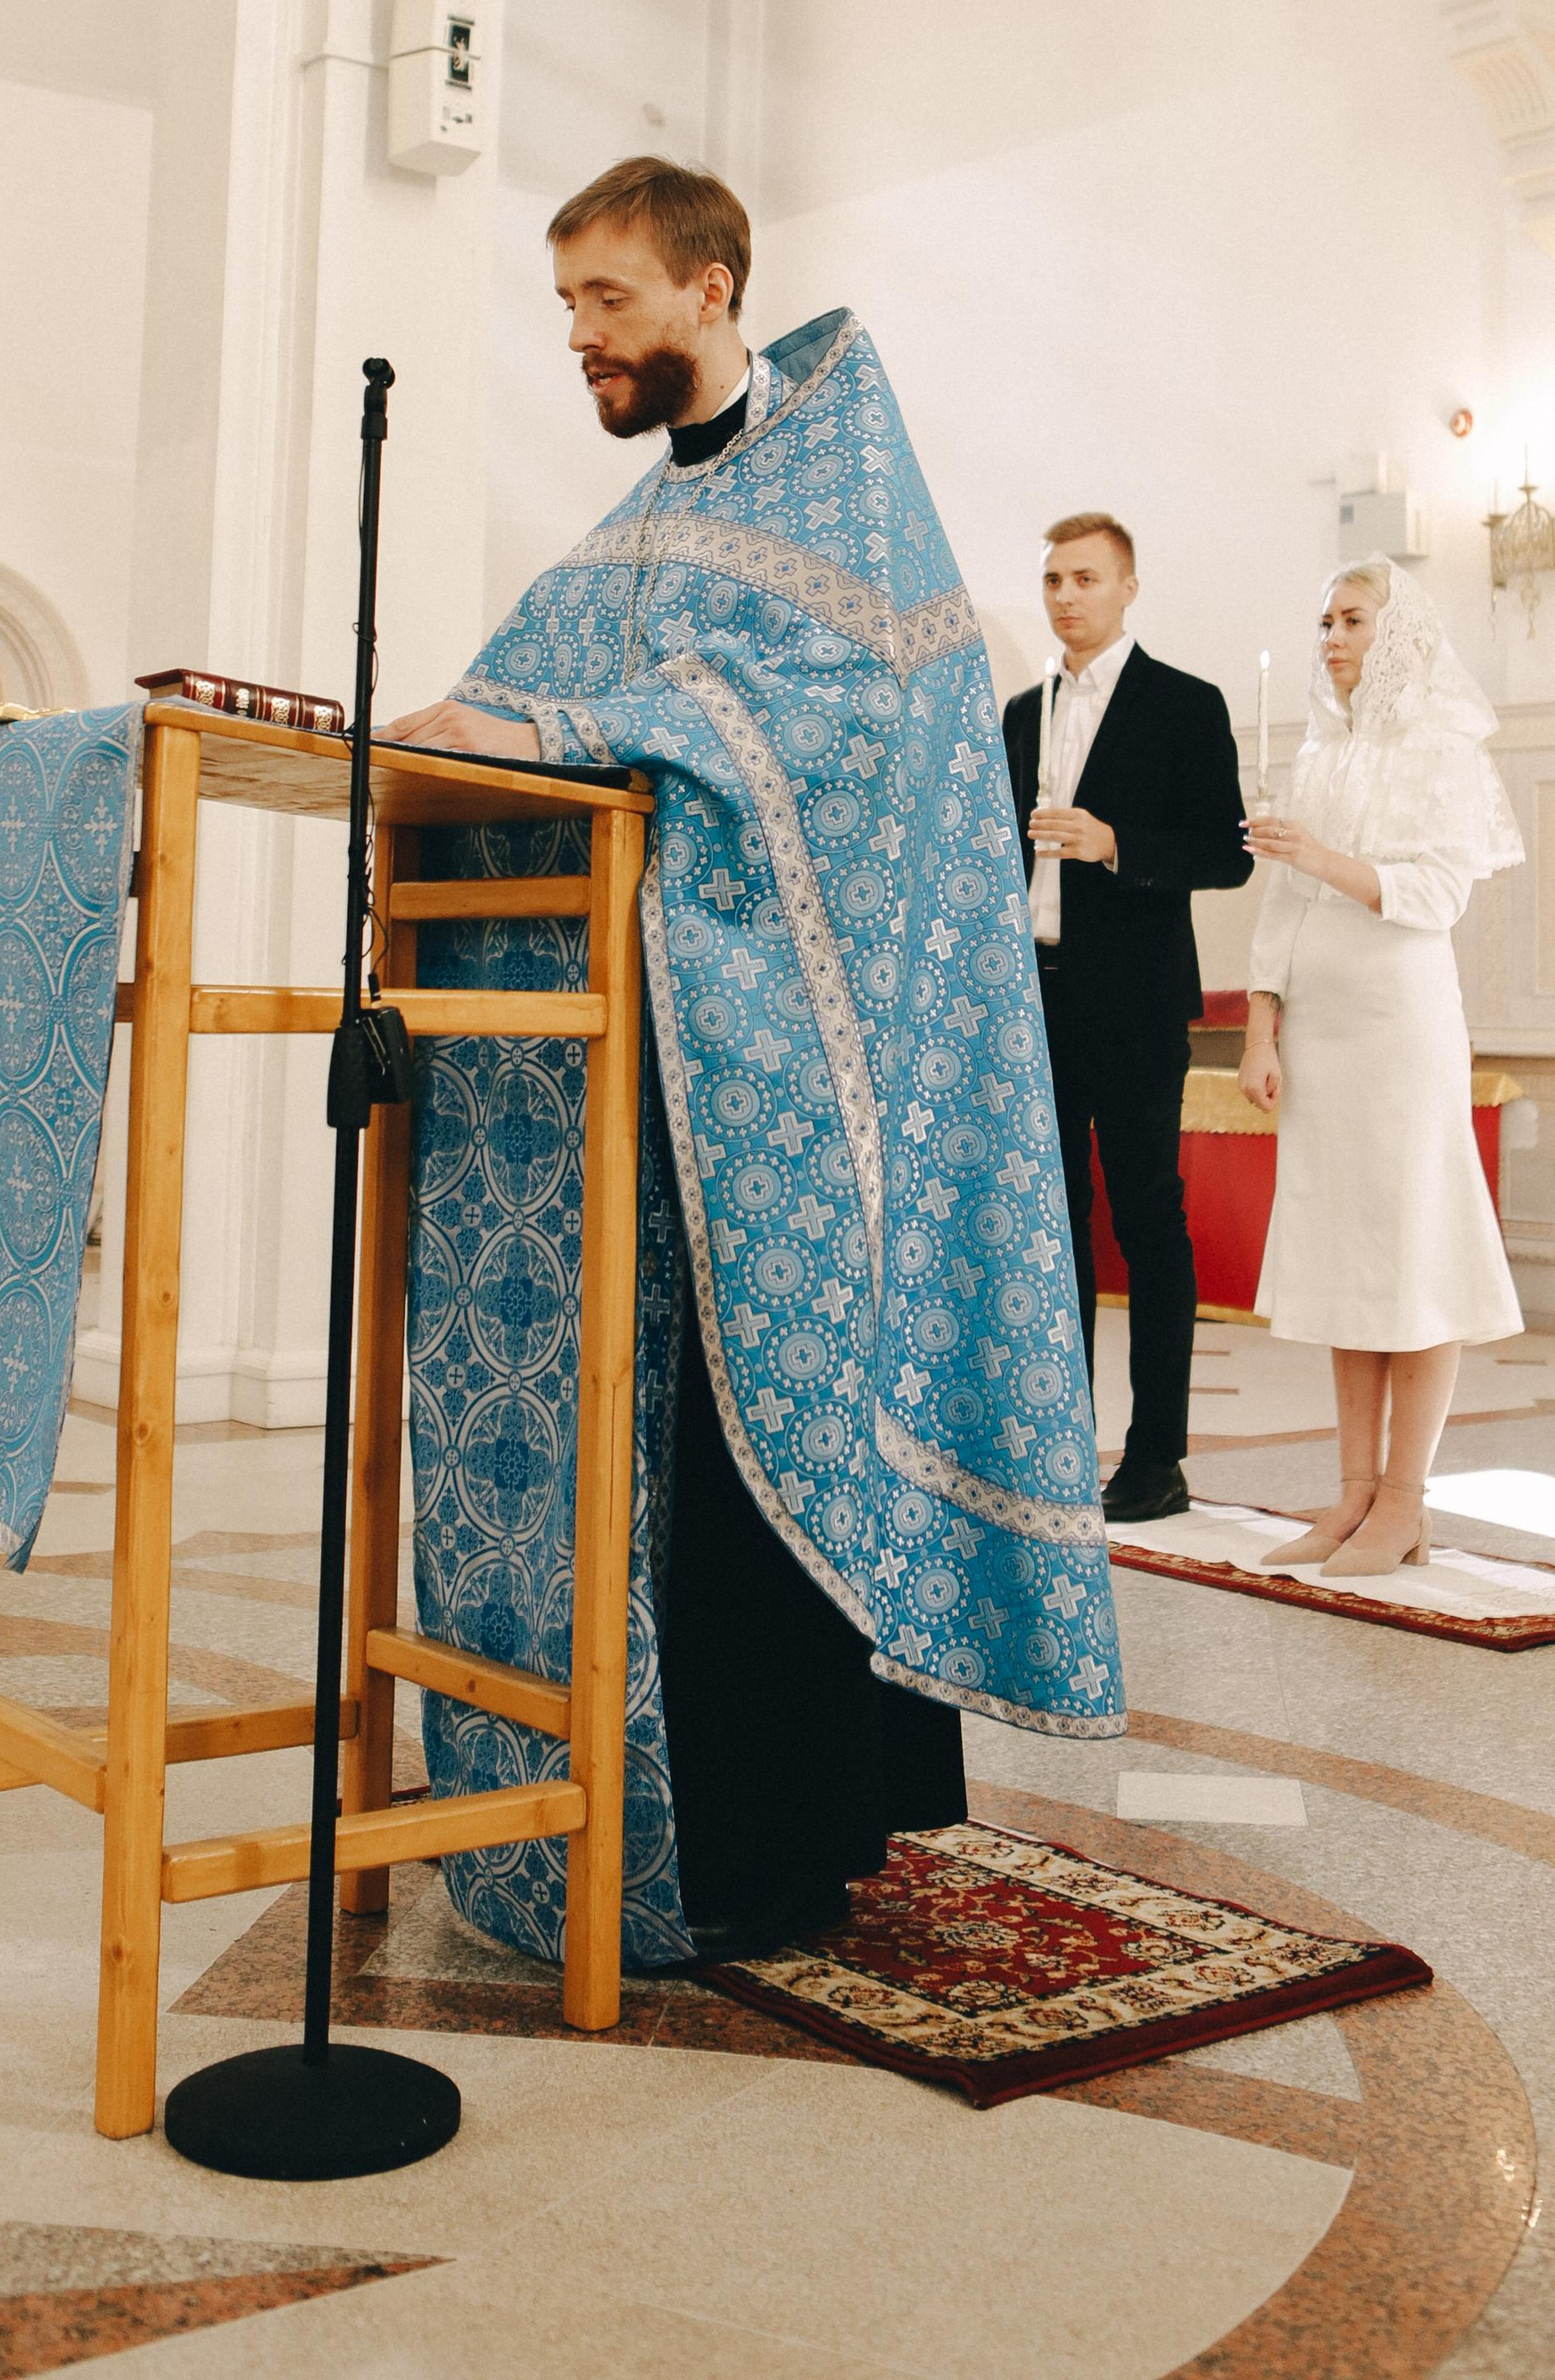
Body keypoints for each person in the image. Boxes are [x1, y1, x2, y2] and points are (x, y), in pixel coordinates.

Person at [385, 157, 1124, 1968]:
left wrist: (563, 727)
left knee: (746, 1460)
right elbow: (532, 699)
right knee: (646, 1457)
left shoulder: (842, 487)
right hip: (630, 1086)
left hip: (794, 1096)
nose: (579, 339)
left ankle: (767, 1859)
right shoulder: (633, 533)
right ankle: (629, 1824)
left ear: (712, 287)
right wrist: (460, 739)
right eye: (565, 306)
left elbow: (859, 726)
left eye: (608, 302)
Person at [1237, 559, 1525, 1579]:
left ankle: (1406, 1499)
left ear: (1396, 634)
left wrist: (1318, 858)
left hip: (1400, 1031)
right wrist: (1261, 1027)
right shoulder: (1322, 751)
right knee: (1345, 1261)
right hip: (1320, 1034)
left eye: (1352, 619)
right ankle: (1353, 1492)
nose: (1331, 637)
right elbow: (1278, 903)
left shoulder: (1441, 750)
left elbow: (1438, 894)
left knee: (1410, 1254)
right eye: (1322, 621)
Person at [999, 521, 1252, 1528]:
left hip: (1138, 1002)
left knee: (1147, 1220)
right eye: (1053, 579)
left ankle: (1157, 1458)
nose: (1066, 595)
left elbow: (1225, 855)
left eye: (1086, 578)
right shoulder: (1020, 712)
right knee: (1049, 1232)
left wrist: (1114, 845)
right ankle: (1065, 1446)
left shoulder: (1185, 705)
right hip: (1037, 998)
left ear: (1129, 587)